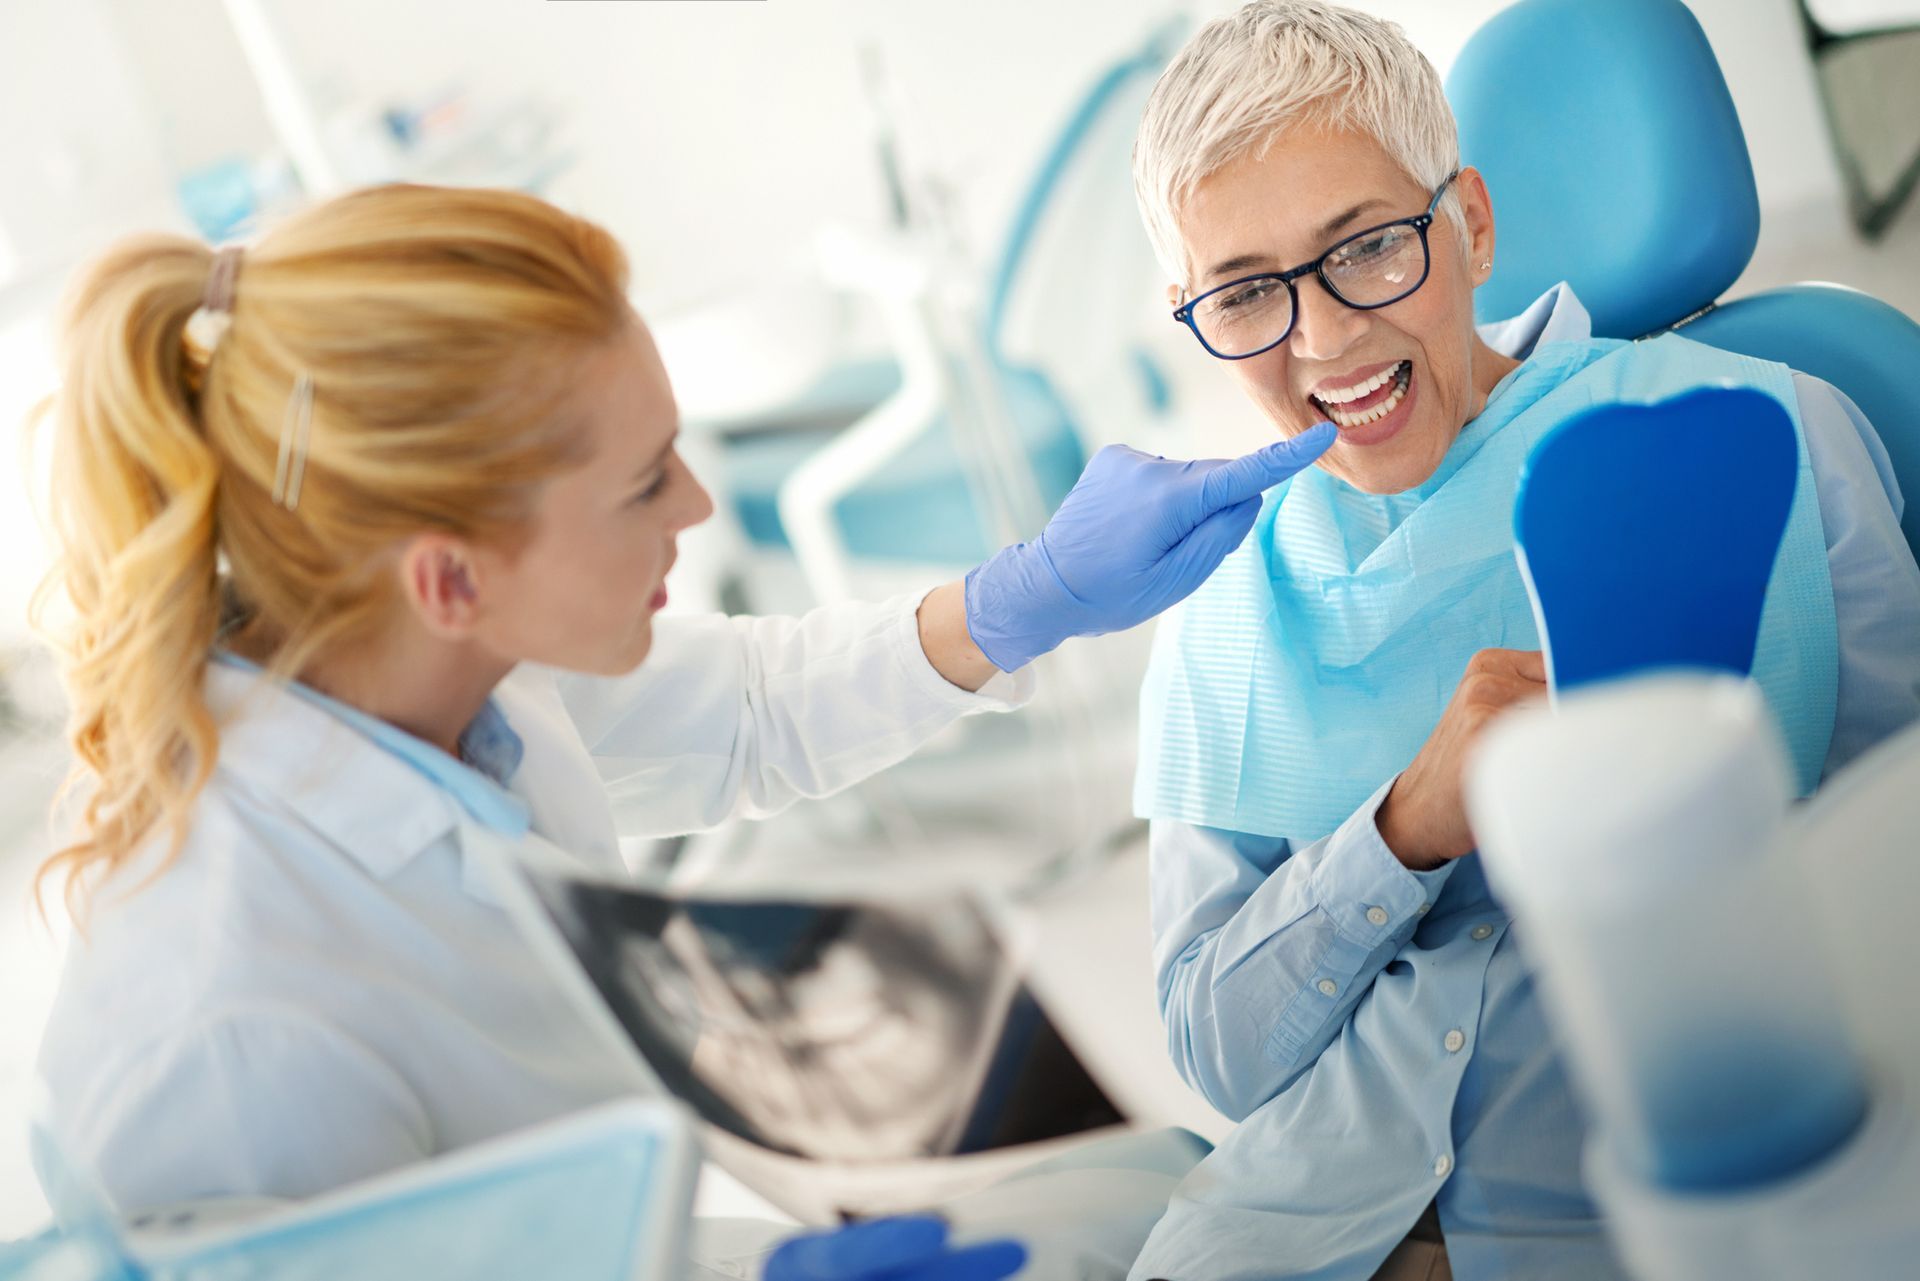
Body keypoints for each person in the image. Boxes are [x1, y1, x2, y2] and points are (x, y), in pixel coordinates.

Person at [25, 183, 1333, 1274]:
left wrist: (1027, 595)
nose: (700, 506)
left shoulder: (433, 672)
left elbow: (748, 712)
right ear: (452, 575)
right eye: (646, 480)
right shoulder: (232, 1016)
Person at [1123, 3, 1920, 1279]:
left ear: (1472, 224)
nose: (1323, 339)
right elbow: (1222, 1051)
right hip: (1295, 1236)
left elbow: (1902, 886)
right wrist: (1399, 833)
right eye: (1246, 293)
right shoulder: (1221, 599)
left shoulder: (1767, 438)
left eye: (1371, 248)